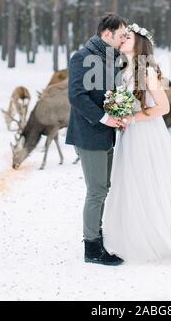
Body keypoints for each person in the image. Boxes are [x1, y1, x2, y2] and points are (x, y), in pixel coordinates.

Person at [102, 23, 171, 267]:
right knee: (132, 182)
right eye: (123, 36)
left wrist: (132, 117)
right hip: (131, 134)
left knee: (146, 180)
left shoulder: (147, 71)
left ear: (139, 44)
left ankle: (154, 237)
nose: (123, 38)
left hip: (146, 133)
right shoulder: (127, 69)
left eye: (128, 37)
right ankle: (135, 233)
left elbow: (163, 107)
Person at [66, 13, 128, 266]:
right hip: (89, 133)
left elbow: (110, 95)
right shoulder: (81, 58)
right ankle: (91, 248)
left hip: (107, 134)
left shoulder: (112, 60)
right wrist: (104, 119)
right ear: (106, 35)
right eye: (121, 35)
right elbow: (77, 96)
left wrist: (120, 113)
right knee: (97, 191)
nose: (124, 38)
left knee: (104, 189)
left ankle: (98, 237)